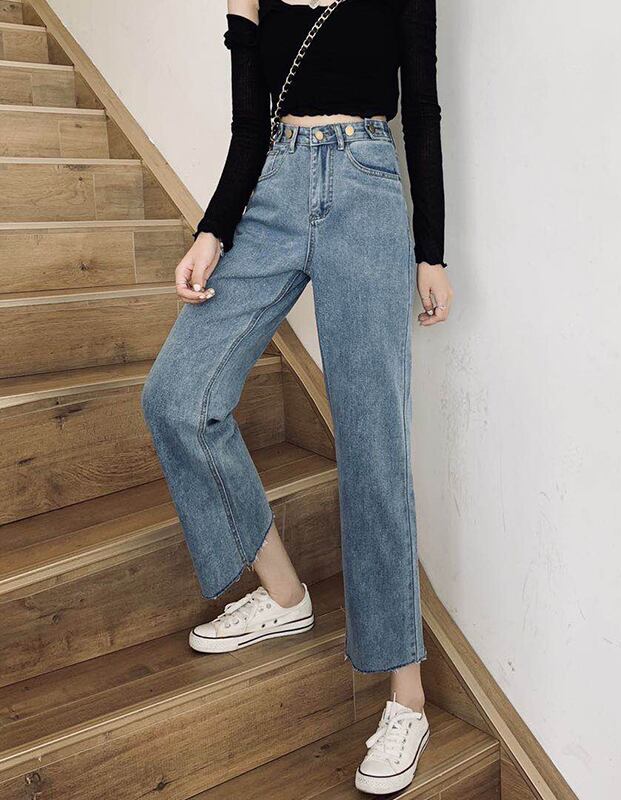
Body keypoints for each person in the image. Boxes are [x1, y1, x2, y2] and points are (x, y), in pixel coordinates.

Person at [142, 0, 452, 792]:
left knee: (374, 445)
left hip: (367, 188)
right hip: (274, 188)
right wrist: (212, 231)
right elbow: (251, 124)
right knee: (178, 396)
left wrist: (432, 250)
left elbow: (421, 105)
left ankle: (407, 698)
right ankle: (283, 592)